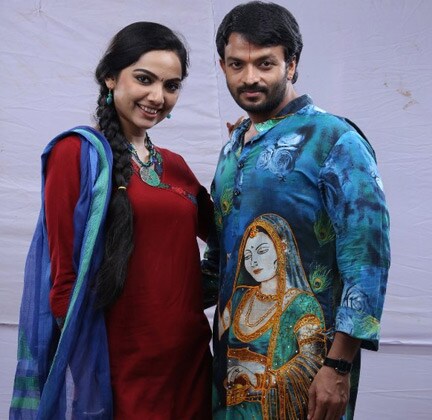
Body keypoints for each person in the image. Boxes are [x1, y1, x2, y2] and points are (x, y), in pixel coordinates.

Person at [10, 22, 216, 419]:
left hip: (189, 358)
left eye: (171, 86)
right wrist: (87, 380)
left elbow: (230, 236)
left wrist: (243, 153)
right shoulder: (77, 154)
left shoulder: (175, 166)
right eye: (144, 79)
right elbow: (64, 282)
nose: (157, 97)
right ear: (110, 77)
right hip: (119, 365)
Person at [208, 2, 391, 419]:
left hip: (304, 375)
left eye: (265, 63)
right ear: (222, 66)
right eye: (237, 64)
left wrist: (338, 366)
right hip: (228, 376)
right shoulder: (232, 148)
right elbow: (220, 261)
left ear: (292, 65)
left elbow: (368, 261)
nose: (250, 77)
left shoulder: (334, 140)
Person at [219, 213, 326, 418]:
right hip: (229, 411)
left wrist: (261, 380)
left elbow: (312, 363)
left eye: (262, 251)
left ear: (281, 249)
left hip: (268, 410)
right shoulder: (238, 297)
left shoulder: (302, 304)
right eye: (247, 256)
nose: (254, 261)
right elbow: (219, 344)